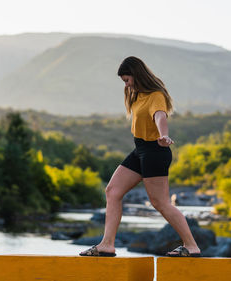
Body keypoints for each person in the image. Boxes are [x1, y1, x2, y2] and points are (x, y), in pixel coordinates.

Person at [79, 56, 201, 257]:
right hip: (140, 149)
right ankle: (107, 244)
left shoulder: (156, 95)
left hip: (155, 151)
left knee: (160, 203)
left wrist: (163, 135)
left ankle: (191, 246)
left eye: (127, 80)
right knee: (112, 191)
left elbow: (160, 116)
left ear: (137, 75)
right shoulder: (135, 95)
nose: (126, 85)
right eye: (124, 82)